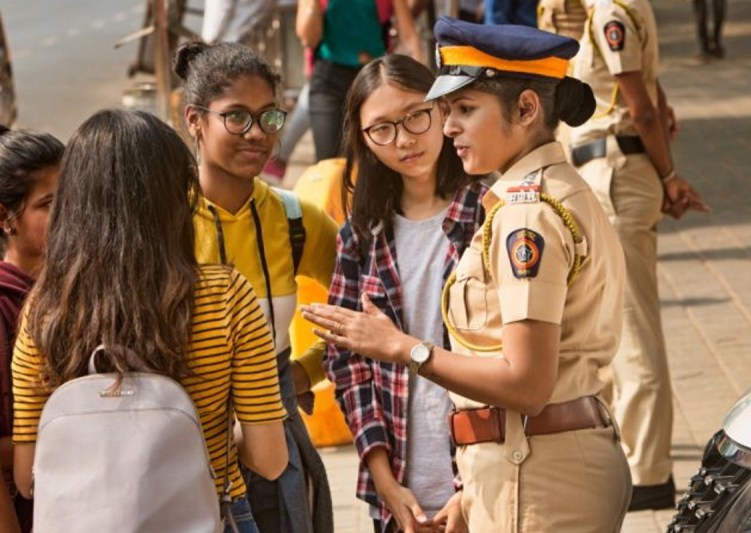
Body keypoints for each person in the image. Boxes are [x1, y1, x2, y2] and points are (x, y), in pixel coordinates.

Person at [304, 17, 632, 532]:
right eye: (382, 129)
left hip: (535, 472)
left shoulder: (522, 213)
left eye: (461, 109)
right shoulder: (543, 195)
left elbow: (525, 384)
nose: (447, 127)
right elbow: (349, 365)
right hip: (519, 467)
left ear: (525, 109)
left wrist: (401, 347)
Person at [10, 109, 289, 532]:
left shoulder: (44, 310)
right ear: (176, 197)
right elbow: (270, 461)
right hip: (206, 516)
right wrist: (200, 438)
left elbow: (25, 477)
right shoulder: (226, 297)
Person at [175, 41, 338, 533]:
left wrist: (307, 373)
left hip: (275, 444)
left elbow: (372, 310)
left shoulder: (296, 219)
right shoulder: (165, 223)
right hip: (184, 450)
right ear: (195, 121)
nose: (257, 135)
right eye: (237, 118)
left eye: (269, 118)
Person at [325, 54, 487, 533]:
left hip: (485, 482)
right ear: (363, 139)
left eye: (416, 116)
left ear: (443, 110)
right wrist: (386, 486)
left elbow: (510, 362)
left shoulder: (491, 216)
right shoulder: (360, 234)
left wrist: (471, 490)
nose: (403, 140)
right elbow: (347, 362)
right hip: (400, 498)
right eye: (382, 129)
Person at [570, 0, 709, 511]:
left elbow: (645, 109)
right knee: (615, 324)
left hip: (617, 173)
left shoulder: (610, 8)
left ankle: (649, 470)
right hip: (612, 172)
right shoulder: (614, 7)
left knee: (632, 327)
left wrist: (669, 177)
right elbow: (648, 92)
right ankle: (634, 460)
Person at [0, 126, 61, 532]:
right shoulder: (5, 302)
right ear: (6, 218)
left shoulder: (73, 290)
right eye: (49, 204)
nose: (67, 215)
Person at [296, 0, 423, 161]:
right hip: (330, 79)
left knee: (377, 160)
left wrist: (422, 91)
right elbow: (308, 39)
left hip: (372, 81)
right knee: (330, 164)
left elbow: (409, 37)